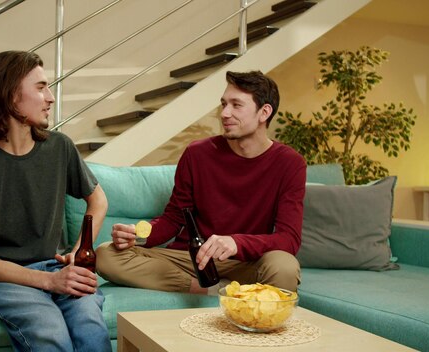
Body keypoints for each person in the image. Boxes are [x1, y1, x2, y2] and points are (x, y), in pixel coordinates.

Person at [0, 51, 111, 352]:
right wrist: (48, 282)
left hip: (55, 265)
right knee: (50, 334)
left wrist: (79, 252)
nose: (50, 97)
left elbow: (98, 201)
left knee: (90, 328)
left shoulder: (59, 148)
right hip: (3, 277)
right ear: (10, 95)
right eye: (40, 87)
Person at [96, 70, 306, 294]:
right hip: (191, 261)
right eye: (223, 104)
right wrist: (138, 235)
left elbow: (288, 238)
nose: (224, 113)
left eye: (236, 105)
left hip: (247, 263)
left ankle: (241, 299)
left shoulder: (290, 163)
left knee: (284, 267)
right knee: (105, 254)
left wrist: (236, 242)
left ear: (264, 112)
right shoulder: (198, 153)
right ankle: (208, 290)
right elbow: (174, 217)